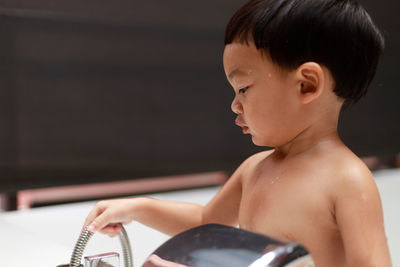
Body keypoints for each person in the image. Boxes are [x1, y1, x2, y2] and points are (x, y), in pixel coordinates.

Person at [83, 0, 392, 266]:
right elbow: (205, 222)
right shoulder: (253, 169)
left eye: (243, 88)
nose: (234, 105)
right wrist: (138, 207)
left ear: (307, 85)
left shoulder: (346, 180)